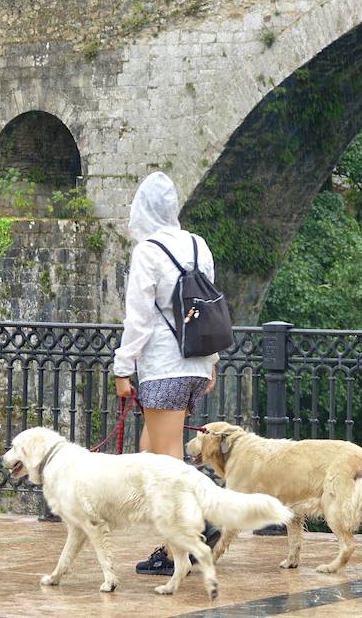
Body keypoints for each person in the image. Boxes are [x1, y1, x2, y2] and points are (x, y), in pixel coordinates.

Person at [111, 171, 222, 576]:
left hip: (163, 367)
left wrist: (123, 369)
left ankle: (194, 532)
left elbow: (138, 318)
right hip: (193, 363)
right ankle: (179, 535)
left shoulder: (148, 251)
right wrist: (210, 362)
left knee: (168, 459)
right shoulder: (198, 244)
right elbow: (209, 307)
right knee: (151, 451)